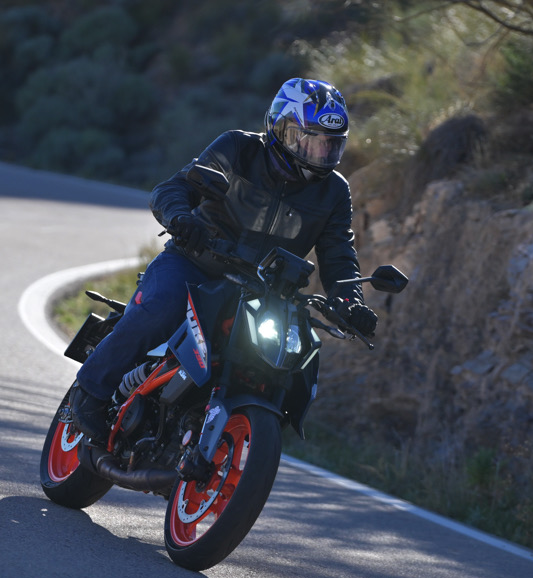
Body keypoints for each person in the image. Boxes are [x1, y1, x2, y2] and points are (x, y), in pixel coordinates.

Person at [69, 77, 378, 444]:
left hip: (264, 292)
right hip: (196, 263)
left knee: (291, 359)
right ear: (281, 129)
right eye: (311, 141)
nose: (320, 153)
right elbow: (174, 188)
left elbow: (338, 253)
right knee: (162, 306)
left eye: (330, 144)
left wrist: (350, 302)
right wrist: (182, 219)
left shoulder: (334, 190)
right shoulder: (238, 148)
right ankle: (90, 392)